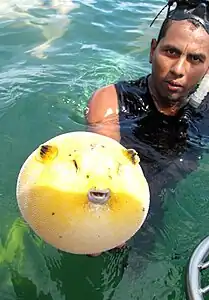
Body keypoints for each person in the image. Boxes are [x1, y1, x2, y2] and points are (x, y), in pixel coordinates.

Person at [85, 0, 209, 256]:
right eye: (171, 52)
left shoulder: (203, 114)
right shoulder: (111, 102)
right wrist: (105, 220)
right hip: (117, 207)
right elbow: (102, 168)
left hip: (160, 212)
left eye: (195, 59)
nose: (178, 69)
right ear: (153, 50)